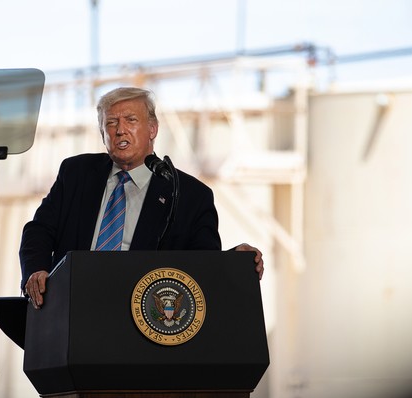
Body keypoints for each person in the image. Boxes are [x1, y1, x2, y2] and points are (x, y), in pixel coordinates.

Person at [19, 86, 264, 308]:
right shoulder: (76, 173)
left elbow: (200, 267)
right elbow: (38, 230)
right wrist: (37, 271)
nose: (120, 130)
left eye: (131, 120)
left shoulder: (190, 195)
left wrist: (234, 262)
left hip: (142, 319)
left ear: (153, 129)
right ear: (102, 133)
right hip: (71, 307)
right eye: (111, 123)